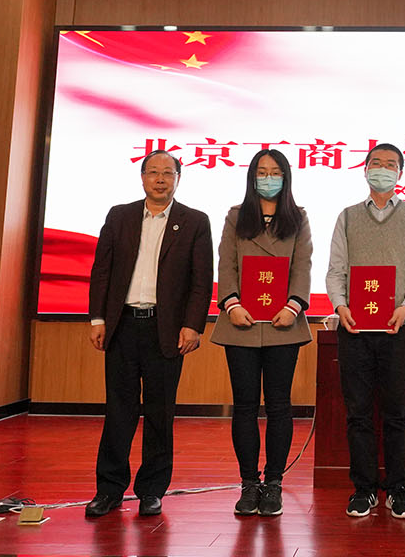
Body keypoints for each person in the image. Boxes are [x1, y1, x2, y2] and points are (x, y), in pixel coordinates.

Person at [85, 150, 213, 518]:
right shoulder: (119, 216)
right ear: (142, 177)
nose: (160, 179)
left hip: (166, 329)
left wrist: (193, 325)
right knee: (118, 411)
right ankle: (109, 490)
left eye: (167, 173)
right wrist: (98, 319)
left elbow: (201, 280)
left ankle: (152, 491)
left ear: (178, 179)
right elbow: (102, 270)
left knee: (160, 413)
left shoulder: (194, 221)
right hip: (123, 325)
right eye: (153, 172)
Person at [324, 142, 405, 520]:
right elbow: (335, 271)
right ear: (365, 169)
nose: (382, 170)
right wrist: (340, 306)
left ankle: (398, 489)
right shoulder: (348, 217)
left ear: (400, 174)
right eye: (376, 163)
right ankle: (364, 489)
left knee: (396, 412)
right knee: (357, 412)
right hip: (354, 328)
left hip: (397, 328)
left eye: (390, 165)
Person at [211, 148, 313, 517]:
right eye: (261, 172)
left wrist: (293, 306)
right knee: (244, 405)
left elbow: (303, 265)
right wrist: (232, 303)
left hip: (284, 323)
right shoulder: (236, 216)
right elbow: (226, 264)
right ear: (252, 177)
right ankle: (248, 483)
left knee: (279, 405)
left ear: (286, 178)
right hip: (241, 322)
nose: (268, 178)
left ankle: (274, 483)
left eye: (275, 172)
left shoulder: (298, 218)